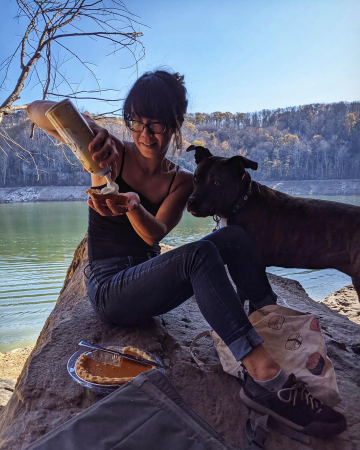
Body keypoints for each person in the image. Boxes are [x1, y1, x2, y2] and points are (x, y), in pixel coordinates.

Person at [27, 70, 346, 438]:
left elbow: (154, 233)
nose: (145, 134)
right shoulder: (109, 151)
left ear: (176, 124)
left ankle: (268, 326)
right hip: (110, 289)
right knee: (198, 256)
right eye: (136, 122)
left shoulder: (179, 181)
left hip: (146, 277)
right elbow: (36, 110)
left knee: (235, 237)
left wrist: (133, 204)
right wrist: (87, 130)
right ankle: (264, 376)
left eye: (157, 124)